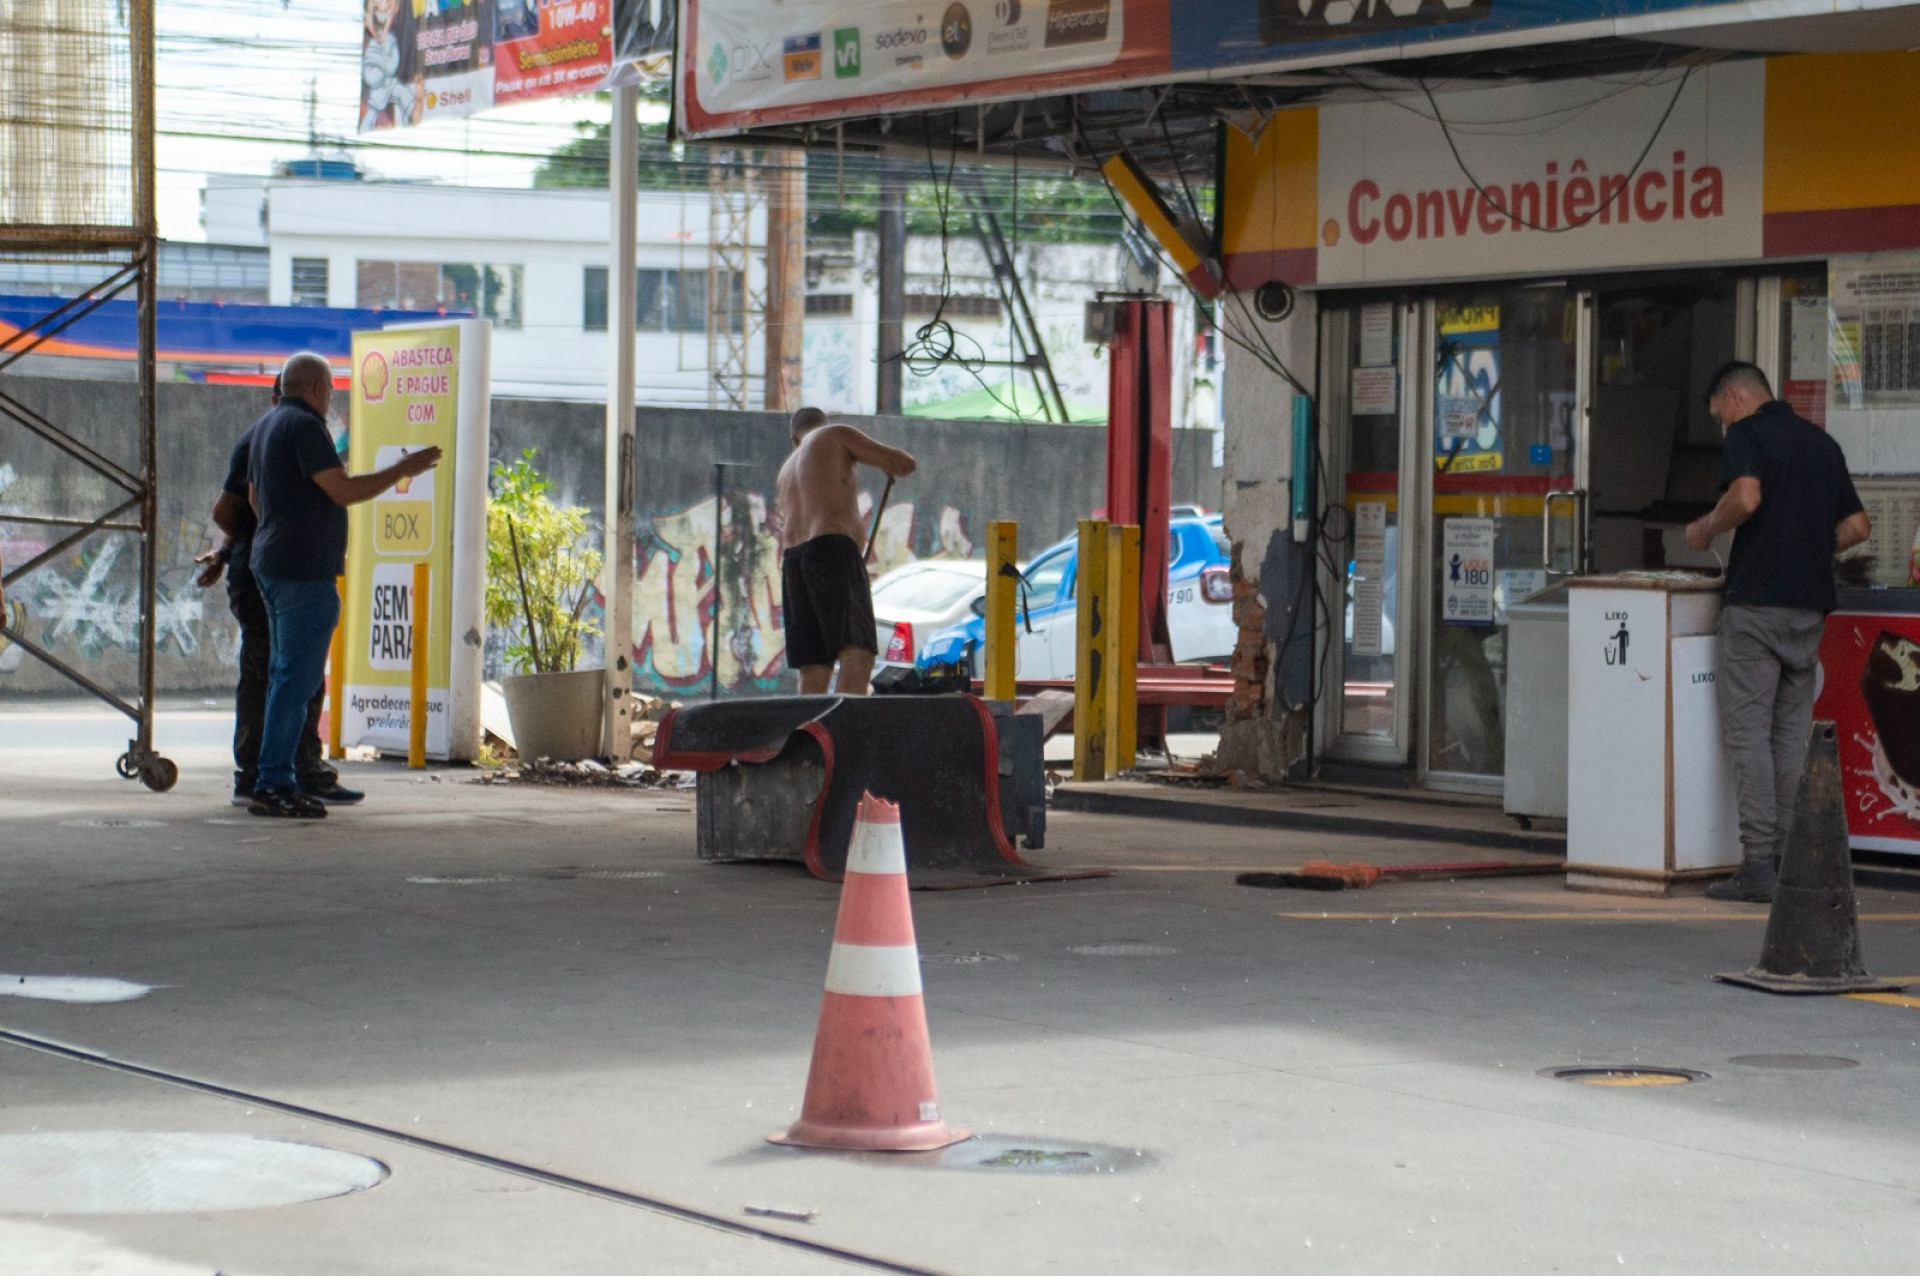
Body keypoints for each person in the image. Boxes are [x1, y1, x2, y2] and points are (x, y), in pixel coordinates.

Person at [1686, 361, 1872, 902]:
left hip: (1757, 606)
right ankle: (1795, 861)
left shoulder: (1748, 434)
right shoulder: (1822, 445)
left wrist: (1703, 529)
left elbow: (1744, 498)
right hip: (1808, 611)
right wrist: (1809, 552)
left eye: (1721, 416)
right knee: (1790, 737)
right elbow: (1858, 527)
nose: (1724, 429)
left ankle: (1758, 866)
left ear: (1737, 397)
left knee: (1748, 736)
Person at [247, 352, 441, 819]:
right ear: (317, 388)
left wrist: (282, 527)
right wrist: (403, 469)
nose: (331, 399)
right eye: (331, 391)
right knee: (296, 681)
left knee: (284, 678)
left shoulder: (266, 426)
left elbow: (255, 496)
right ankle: (274, 782)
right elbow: (344, 491)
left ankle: (280, 777)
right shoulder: (306, 427)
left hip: (273, 564)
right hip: (302, 572)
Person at [196, 376, 355, 808]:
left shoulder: (283, 432)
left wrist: (232, 548)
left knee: (298, 677)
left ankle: (300, 770)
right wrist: (243, 545)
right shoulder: (272, 434)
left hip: (270, 566)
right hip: (272, 573)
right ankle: (258, 777)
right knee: (271, 674)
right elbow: (230, 509)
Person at [773, 407, 915, 695]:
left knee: (814, 667)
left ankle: (810, 737)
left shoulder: (786, 471)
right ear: (823, 424)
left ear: (794, 438)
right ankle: (843, 735)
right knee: (857, 653)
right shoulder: (834, 434)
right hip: (831, 549)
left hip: (794, 563)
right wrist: (891, 463)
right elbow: (903, 463)